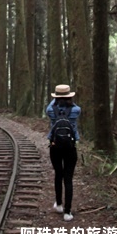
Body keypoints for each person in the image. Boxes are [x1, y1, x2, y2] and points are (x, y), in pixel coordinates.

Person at [46, 84, 81, 222]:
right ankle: (67, 212)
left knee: (58, 174)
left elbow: (49, 106)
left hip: (55, 146)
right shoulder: (76, 110)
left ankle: (59, 204)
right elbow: (76, 107)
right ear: (69, 96)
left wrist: (55, 98)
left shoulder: (50, 110)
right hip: (70, 147)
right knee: (68, 178)